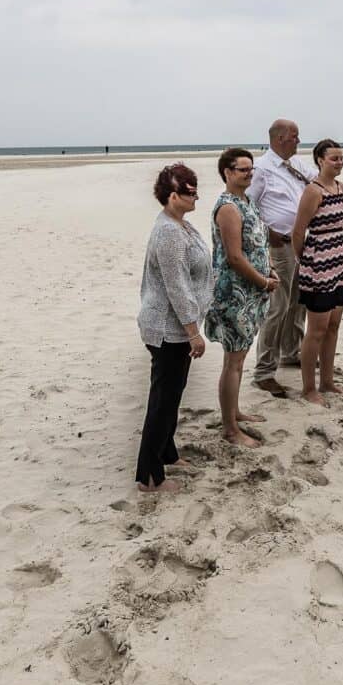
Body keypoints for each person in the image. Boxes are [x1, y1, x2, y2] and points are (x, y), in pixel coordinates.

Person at [135, 164, 209, 493]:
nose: (195, 195)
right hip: (168, 329)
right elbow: (176, 286)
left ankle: (168, 454)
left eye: (196, 189)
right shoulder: (168, 232)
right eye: (189, 191)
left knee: (172, 396)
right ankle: (149, 478)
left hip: (177, 328)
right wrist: (193, 331)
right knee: (162, 402)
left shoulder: (182, 225)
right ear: (172, 196)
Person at [207, 147, 280, 447]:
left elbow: (258, 245)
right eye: (242, 169)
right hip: (235, 295)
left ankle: (234, 412)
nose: (249, 173)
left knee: (239, 359)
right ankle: (229, 429)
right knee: (233, 363)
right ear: (227, 172)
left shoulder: (246, 200)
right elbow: (235, 257)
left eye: (251, 169)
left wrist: (271, 269)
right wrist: (264, 282)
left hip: (253, 294)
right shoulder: (227, 207)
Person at [248, 119, 311, 397]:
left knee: (299, 302)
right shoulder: (261, 169)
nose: (298, 141)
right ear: (280, 138)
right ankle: (264, 371)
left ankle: (291, 351)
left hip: (302, 242)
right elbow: (246, 208)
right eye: (294, 136)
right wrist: (267, 232)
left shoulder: (296, 165)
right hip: (279, 246)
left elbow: (317, 181)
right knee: (278, 306)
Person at [292, 139, 343, 406]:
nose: (339, 162)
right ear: (319, 160)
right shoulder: (312, 191)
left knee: (334, 325)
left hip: (340, 258)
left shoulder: (341, 187)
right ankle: (308, 388)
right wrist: (307, 261)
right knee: (315, 329)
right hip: (318, 262)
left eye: (341, 158)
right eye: (334, 158)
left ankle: (327, 381)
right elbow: (298, 231)